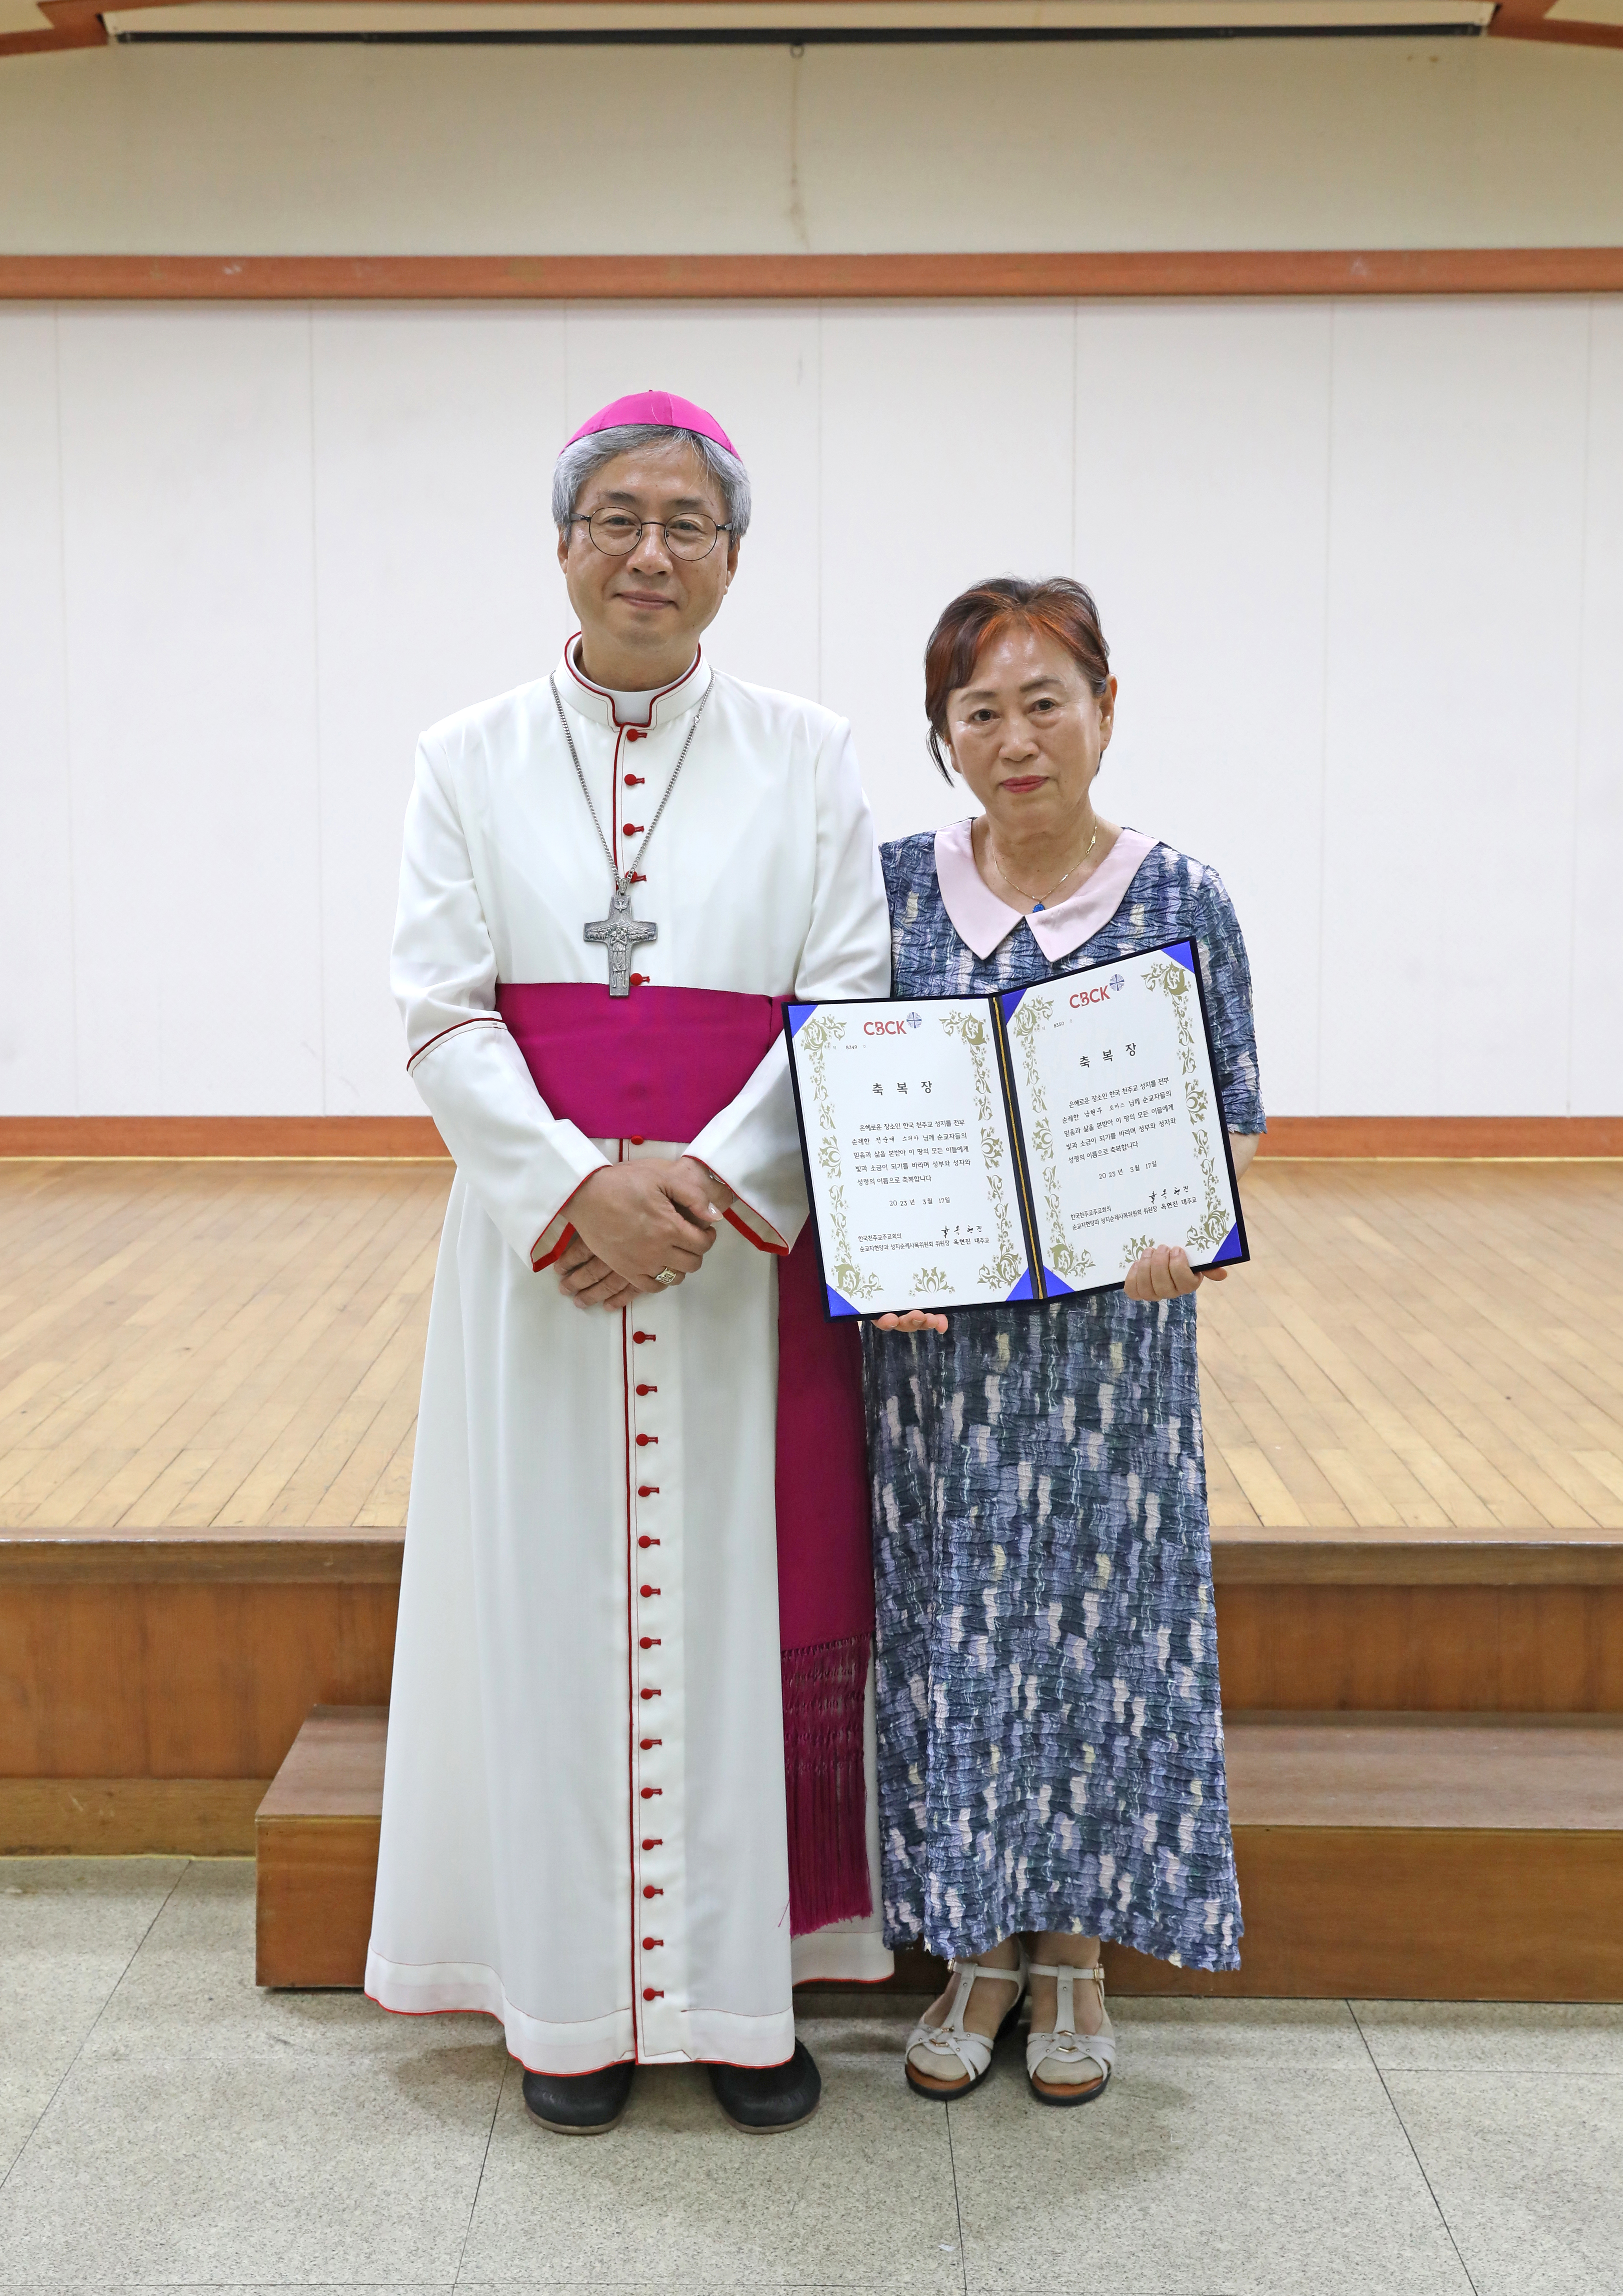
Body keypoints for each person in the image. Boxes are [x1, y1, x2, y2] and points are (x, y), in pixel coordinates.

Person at [368, 390, 891, 2137]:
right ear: (567, 542)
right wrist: (575, 1188)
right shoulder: (465, 756)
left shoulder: (812, 754)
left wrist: (705, 1189)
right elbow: (438, 1007)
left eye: (687, 521)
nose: (650, 550)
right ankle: (569, 2007)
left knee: (739, 1612)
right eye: (618, 515)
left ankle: (746, 2003)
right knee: (551, 1608)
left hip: (736, 1277)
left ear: (733, 560)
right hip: (543, 1272)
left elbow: (850, 1001)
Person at [865, 576, 1264, 2106]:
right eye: (981, 710)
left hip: (1111, 1361)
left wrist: (1189, 1236)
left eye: (1047, 700)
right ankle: (972, 1945)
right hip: (936, 1360)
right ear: (943, 736)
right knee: (956, 1638)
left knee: (1104, 1640)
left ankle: (1079, 1952)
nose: (1017, 737)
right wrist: (873, 1248)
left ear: (1107, 708)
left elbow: (1226, 1115)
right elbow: (852, 1101)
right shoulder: (899, 887)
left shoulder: (1185, 897)